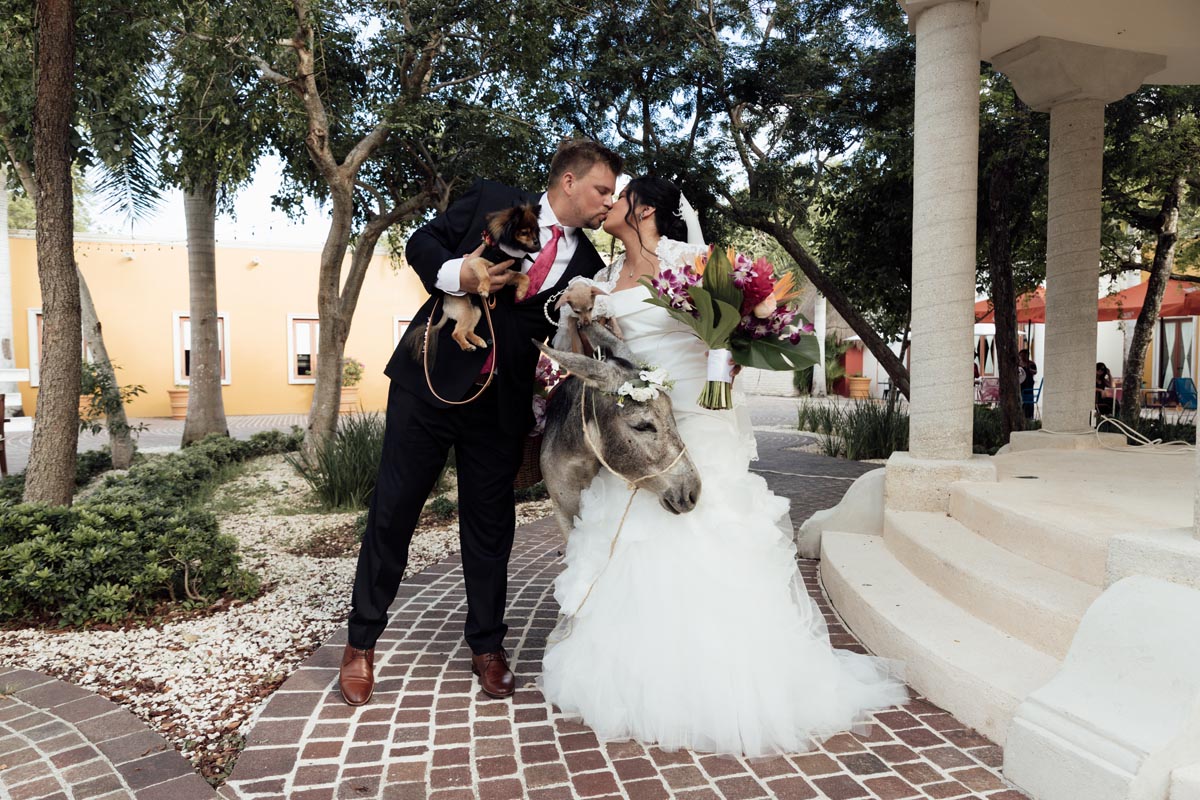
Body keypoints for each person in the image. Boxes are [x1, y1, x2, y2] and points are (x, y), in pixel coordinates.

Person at [539, 176, 906, 756]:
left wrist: (727, 348)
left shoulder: (695, 262)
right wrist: (575, 309)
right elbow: (587, 354)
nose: (607, 204)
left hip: (699, 411)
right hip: (647, 421)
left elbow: (739, 326)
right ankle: (646, 666)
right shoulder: (604, 278)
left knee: (704, 526)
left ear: (647, 208)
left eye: (619, 196)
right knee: (636, 529)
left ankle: (722, 675)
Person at [337, 139, 622, 705]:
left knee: (491, 531)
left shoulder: (590, 266)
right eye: (601, 190)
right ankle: (361, 643)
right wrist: (458, 274)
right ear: (568, 182)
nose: (605, 202)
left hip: (501, 405)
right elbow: (423, 243)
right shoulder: (495, 200)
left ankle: (488, 647)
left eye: (612, 195)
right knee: (393, 512)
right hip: (429, 382)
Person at [1019, 348, 1038, 419]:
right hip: (1021, 384)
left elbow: (1035, 372)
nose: (1022, 357)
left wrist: (1029, 369)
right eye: (1021, 356)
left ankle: (1029, 415)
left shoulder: (1031, 363)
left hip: (1029, 384)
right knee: (1021, 399)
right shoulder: (1019, 364)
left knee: (1029, 400)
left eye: (1024, 355)